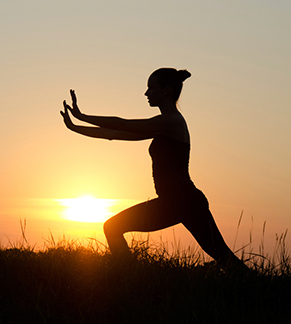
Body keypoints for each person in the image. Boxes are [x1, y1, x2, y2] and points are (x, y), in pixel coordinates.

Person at [59, 67, 246, 269]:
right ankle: (131, 277)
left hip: (184, 201)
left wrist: (83, 116)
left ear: (166, 91)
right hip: (177, 202)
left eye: (151, 88)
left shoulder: (171, 122)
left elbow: (122, 124)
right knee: (225, 259)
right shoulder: (162, 126)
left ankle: (129, 276)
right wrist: (75, 126)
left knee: (112, 227)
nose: (146, 93)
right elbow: (114, 133)